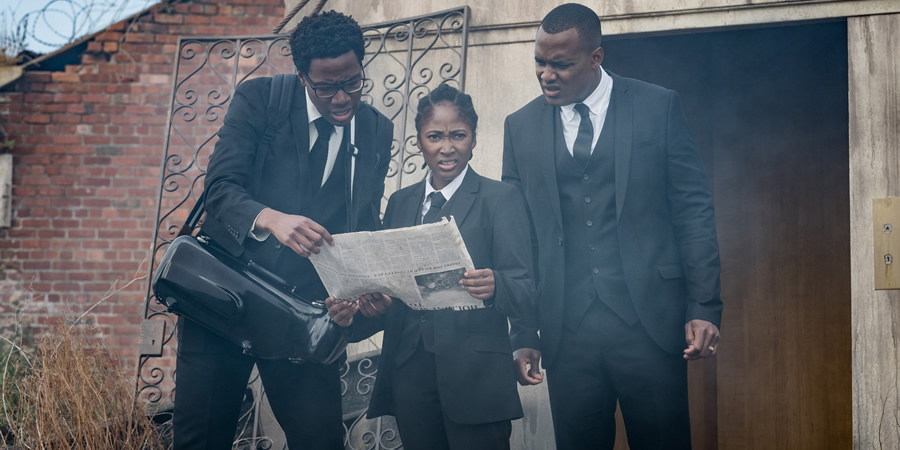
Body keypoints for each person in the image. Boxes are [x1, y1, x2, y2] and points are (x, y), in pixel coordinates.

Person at [501, 3, 723, 449]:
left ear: (595, 58)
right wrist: (524, 331)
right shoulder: (519, 127)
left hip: (649, 324)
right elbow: (518, 241)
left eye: (560, 64)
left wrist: (704, 305)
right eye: (539, 62)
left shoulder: (658, 106)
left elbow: (693, 210)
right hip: (567, 330)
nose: (546, 74)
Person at [172, 11, 393, 449]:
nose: (342, 98)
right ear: (301, 75)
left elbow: (364, 223)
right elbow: (219, 189)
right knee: (201, 441)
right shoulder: (260, 99)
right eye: (326, 87)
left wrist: (361, 288)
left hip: (304, 319)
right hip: (224, 302)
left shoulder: (376, 131)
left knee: (322, 441)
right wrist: (271, 219)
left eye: (352, 82)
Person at [326, 83, 535, 450]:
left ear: (473, 139)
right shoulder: (400, 203)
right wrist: (359, 311)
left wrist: (497, 285)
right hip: (410, 378)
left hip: (477, 379)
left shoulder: (501, 199)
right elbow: (390, 293)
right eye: (435, 136)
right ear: (419, 141)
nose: (447, 146)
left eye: (458, 135)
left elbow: (528, 290)